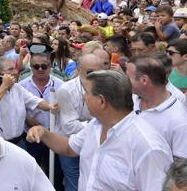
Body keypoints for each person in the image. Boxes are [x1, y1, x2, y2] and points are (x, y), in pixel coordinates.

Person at [27, 70, 173, 191]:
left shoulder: (149, 147)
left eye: (87, 93)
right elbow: (69, 148)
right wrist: (43, 133)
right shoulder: (96, 125)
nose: (84, 97)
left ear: (102, 101)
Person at [53, 53, 108, 191]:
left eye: (99, 71)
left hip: (95, 143)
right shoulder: (66, 89)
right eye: (90, 71)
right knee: (74, 184)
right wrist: (100, 124)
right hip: (69, 143)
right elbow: (69, 126)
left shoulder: (108, 88)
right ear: (79, 68)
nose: (95, 75)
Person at [0, 57, 55, 146]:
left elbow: (36, 101)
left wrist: (51, 106)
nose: (15, 72)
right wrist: (4, 86)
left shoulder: (17, 87)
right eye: (10, 69)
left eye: (15, 68)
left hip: (20, 142)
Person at [127, 55, 187, 159]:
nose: (124, 80)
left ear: (144, 80)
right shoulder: (131, 99)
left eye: (128, 77)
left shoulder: (179, 121)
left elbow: (180, 166)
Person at [18, 51, 64, 179]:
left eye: (44, 66)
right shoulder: (22, 86)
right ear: (30, 67)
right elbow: (21, 112)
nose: (40, 69)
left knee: (55, 175)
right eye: (35, 66)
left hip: (54, 135)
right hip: (31, 136)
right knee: (32, 173)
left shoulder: (61, 85)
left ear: (51, 66)